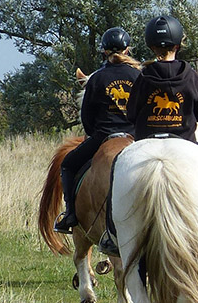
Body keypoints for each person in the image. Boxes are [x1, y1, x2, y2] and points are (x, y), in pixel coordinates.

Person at [98, 15, 198, 256]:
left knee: (117, 166)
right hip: (185, 143)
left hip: (146, 142)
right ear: (178, 45)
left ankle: (111, 233)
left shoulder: (143, 76)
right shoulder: (189, 74)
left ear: (151, 46)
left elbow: (130, 114)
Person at [53, 27, 139, 233]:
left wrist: (94, 134)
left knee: (68, 164)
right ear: (127, 50)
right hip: (136, 136)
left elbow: (87, 117)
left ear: (104, 51)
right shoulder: (139, 76)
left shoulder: (97, 78)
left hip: (103, 136)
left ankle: (70, 214)